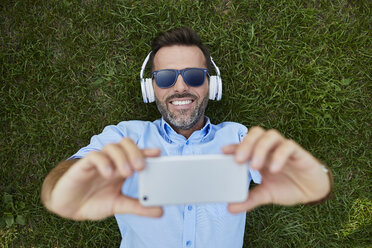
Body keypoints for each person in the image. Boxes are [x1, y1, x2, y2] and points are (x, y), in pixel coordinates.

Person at [41, 27, 333, 248]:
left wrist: (312, 177)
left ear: (211, 84)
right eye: (166, 78)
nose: (180, 88)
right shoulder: (125, 137)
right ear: (150, 89)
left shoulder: (240, 138)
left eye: (194, 76)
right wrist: (72, 183)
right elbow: (61, 184)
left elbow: (315, 183)